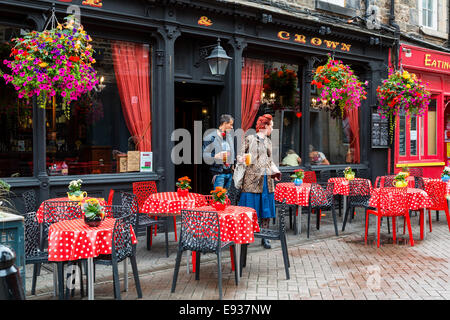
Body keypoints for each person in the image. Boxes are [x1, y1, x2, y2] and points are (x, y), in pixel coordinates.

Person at [237, 114, 281, 249]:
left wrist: (276, 171)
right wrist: (241, 159)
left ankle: (265, 237)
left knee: (265, 210)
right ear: (265, 126)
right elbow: (239, 156)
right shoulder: (249, 139)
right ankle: (247, 236)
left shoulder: (268, 142)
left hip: (267, 180)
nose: (272, 129)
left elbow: (270, 160)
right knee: (250, 210)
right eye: (271, 126)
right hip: (251, 181)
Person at [202, 114, 235, 190]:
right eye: (230, 124)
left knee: (228, 199)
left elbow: (232, 152)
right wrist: (215, 156)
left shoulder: (229, 137)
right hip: (218, 174)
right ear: (224, 123)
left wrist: (233, 163)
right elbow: (204, 155)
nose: (232, 127)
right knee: (218, 199)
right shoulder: (210, 137)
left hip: (230, 174)